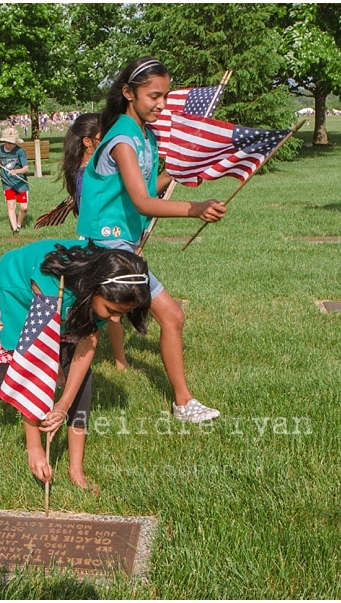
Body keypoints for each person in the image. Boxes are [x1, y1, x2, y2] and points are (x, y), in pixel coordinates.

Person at [75, 56, 227, 423]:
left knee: (158, 319)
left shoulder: (146, 135)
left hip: (122, 247)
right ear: (129, 93)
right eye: (153, 96)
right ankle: (181, 403)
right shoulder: (124, 139)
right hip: (106, 248)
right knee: (96, 330)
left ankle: (181, 402)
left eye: (165, 96)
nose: (161, 104)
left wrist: (182, 174)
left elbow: (144, 189)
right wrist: (194, 208)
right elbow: (143, 202)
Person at [0, 240, 151, 490]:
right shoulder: (50, 288)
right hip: (19, 291)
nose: (115, 319)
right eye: (112, 310)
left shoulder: (110, 288)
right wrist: (35, 447)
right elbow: (32, 364)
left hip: (69, 303)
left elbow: (87, 345)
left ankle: (75, 468)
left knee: (81, 385)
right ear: (94, 291)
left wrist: (63, 404)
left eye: (121, 313)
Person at [61, 113, 130, 371]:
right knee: (100, 308)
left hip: (105, 240)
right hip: (97, 243)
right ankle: (72, 363)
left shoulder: (91, 170)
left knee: (111, 307)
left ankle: (119, 360)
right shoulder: (86, 173)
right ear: (88, 142)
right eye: (104, 138)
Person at [0, 127, 31, 234]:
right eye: (10, 143)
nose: (12, 145)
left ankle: (19, 224)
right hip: (7, 183)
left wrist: (17, 171)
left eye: (14, 143)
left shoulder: (20, 151)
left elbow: (26, 168)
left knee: (24, 208)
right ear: (4, 141)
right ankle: (15, 229)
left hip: (20, 183)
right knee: (11, 206)